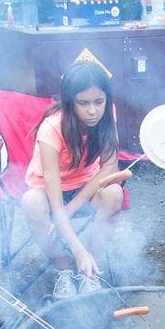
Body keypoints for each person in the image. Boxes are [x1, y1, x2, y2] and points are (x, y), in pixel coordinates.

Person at [22, 60, 124, 298]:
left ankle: (90, 270)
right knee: (31, 202)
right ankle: (64, 271)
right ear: (69, 103)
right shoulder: (52, 128)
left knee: (114, 194)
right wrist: (76, 250)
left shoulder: (108, 113)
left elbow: (108, 167)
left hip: (86, 184)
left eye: (99, 102)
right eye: (83, 103)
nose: (92, 111)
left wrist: (70, 211)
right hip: (48, 190)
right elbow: (55, 204)